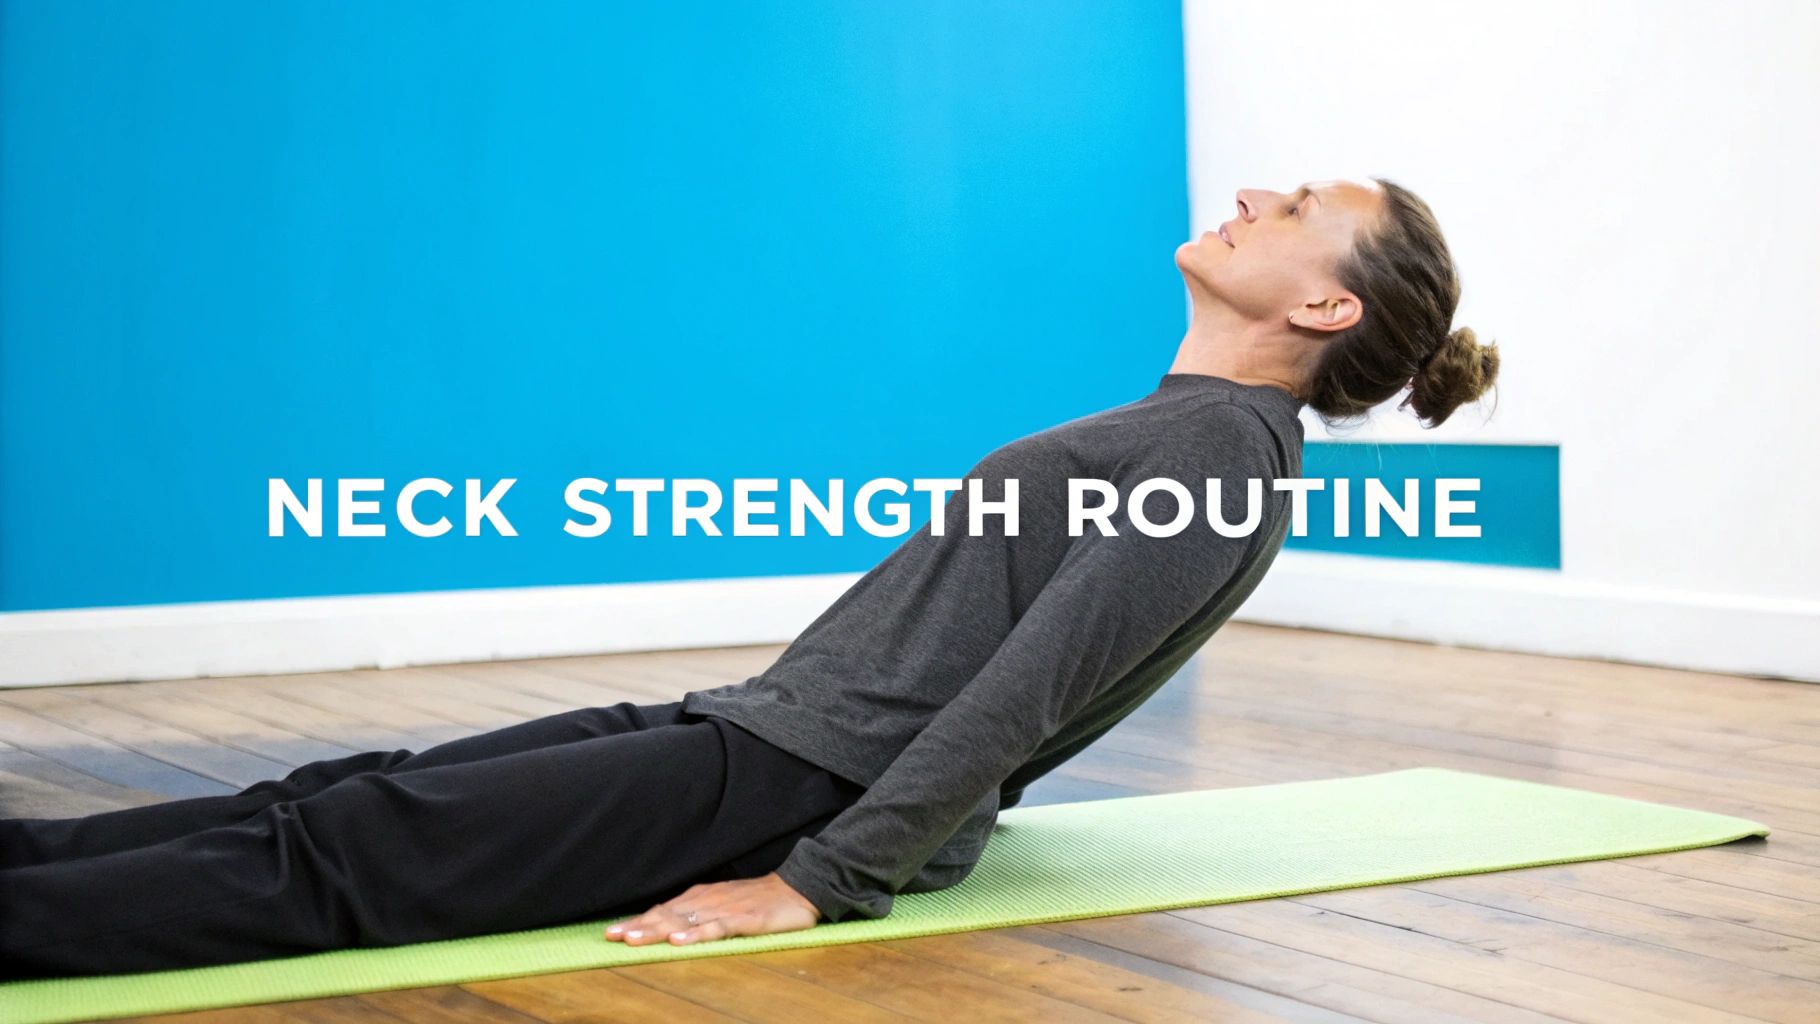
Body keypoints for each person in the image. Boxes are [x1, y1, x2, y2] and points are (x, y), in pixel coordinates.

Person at [0, 178, 1499, 977]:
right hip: (761, 730)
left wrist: (823, 883)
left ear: (1324, 304)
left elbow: (1026, 700)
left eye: (1295, 208)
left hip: (801, 787)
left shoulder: (1225, 452)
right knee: (346, 793)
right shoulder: (1192, 427)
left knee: (355, 856)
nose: (1252, 193)